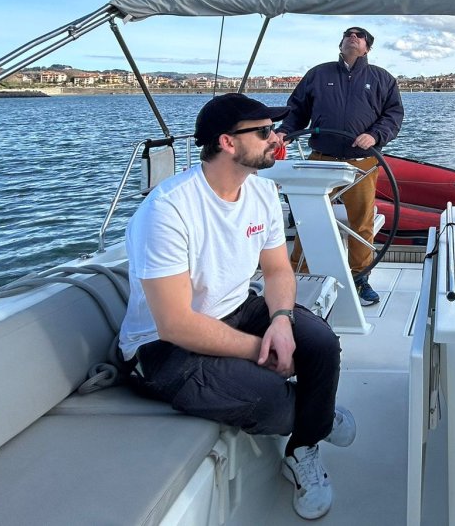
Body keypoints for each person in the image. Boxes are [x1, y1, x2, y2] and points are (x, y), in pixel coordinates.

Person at [118, 93, 353, 521]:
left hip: (236, 308)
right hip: (162, 348)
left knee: (321, 343)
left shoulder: (261, 191)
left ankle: (304, 443)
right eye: (264, 132)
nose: (276, 138)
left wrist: (280, 322)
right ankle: (315, 414)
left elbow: (278, 271)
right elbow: (174, 324)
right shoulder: (168, 211)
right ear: (227, 142)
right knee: (275, 402)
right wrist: (260, 351)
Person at [278, 26, 404, 306]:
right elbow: (297, 110)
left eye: (360, 35)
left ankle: (360, 278)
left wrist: (375, 135)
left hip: (362, 163)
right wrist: (285, 131)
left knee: (362, 223)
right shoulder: (318, 74)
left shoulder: (382, 79)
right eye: (348, 34)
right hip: (321, 159)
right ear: (341, 43)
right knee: (308, 218)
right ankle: (300, 275)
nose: (353, 37)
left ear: (368, 47)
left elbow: (394, 115)